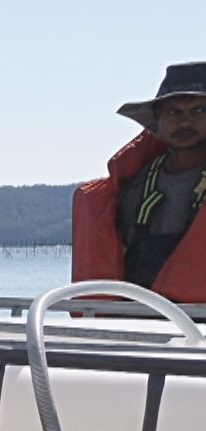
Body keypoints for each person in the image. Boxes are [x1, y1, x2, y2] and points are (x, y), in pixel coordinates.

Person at [73, 62, 206, 297]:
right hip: (136, 323)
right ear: (156, 123)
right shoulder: (131, 186)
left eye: (199, 111)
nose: (185, 122)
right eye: (174, 112)